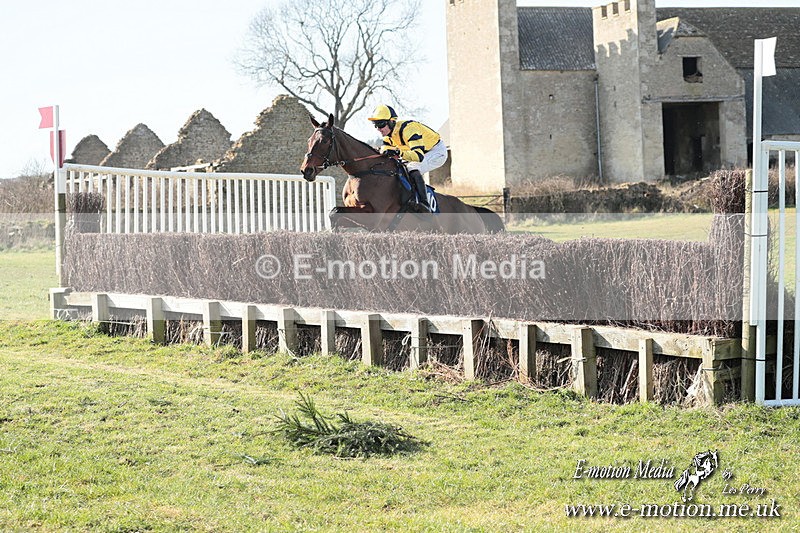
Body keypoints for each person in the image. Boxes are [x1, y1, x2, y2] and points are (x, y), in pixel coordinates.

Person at [368, 104, 447, 213]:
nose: (378, 129)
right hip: (421, 153)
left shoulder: (409, 129)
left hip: (436, 151)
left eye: (381, 124)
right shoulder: (387, 138)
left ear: (392, 122)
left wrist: (398, 152)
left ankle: (424, 205)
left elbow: (418, 156)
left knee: (413, 167)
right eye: (375, 125)